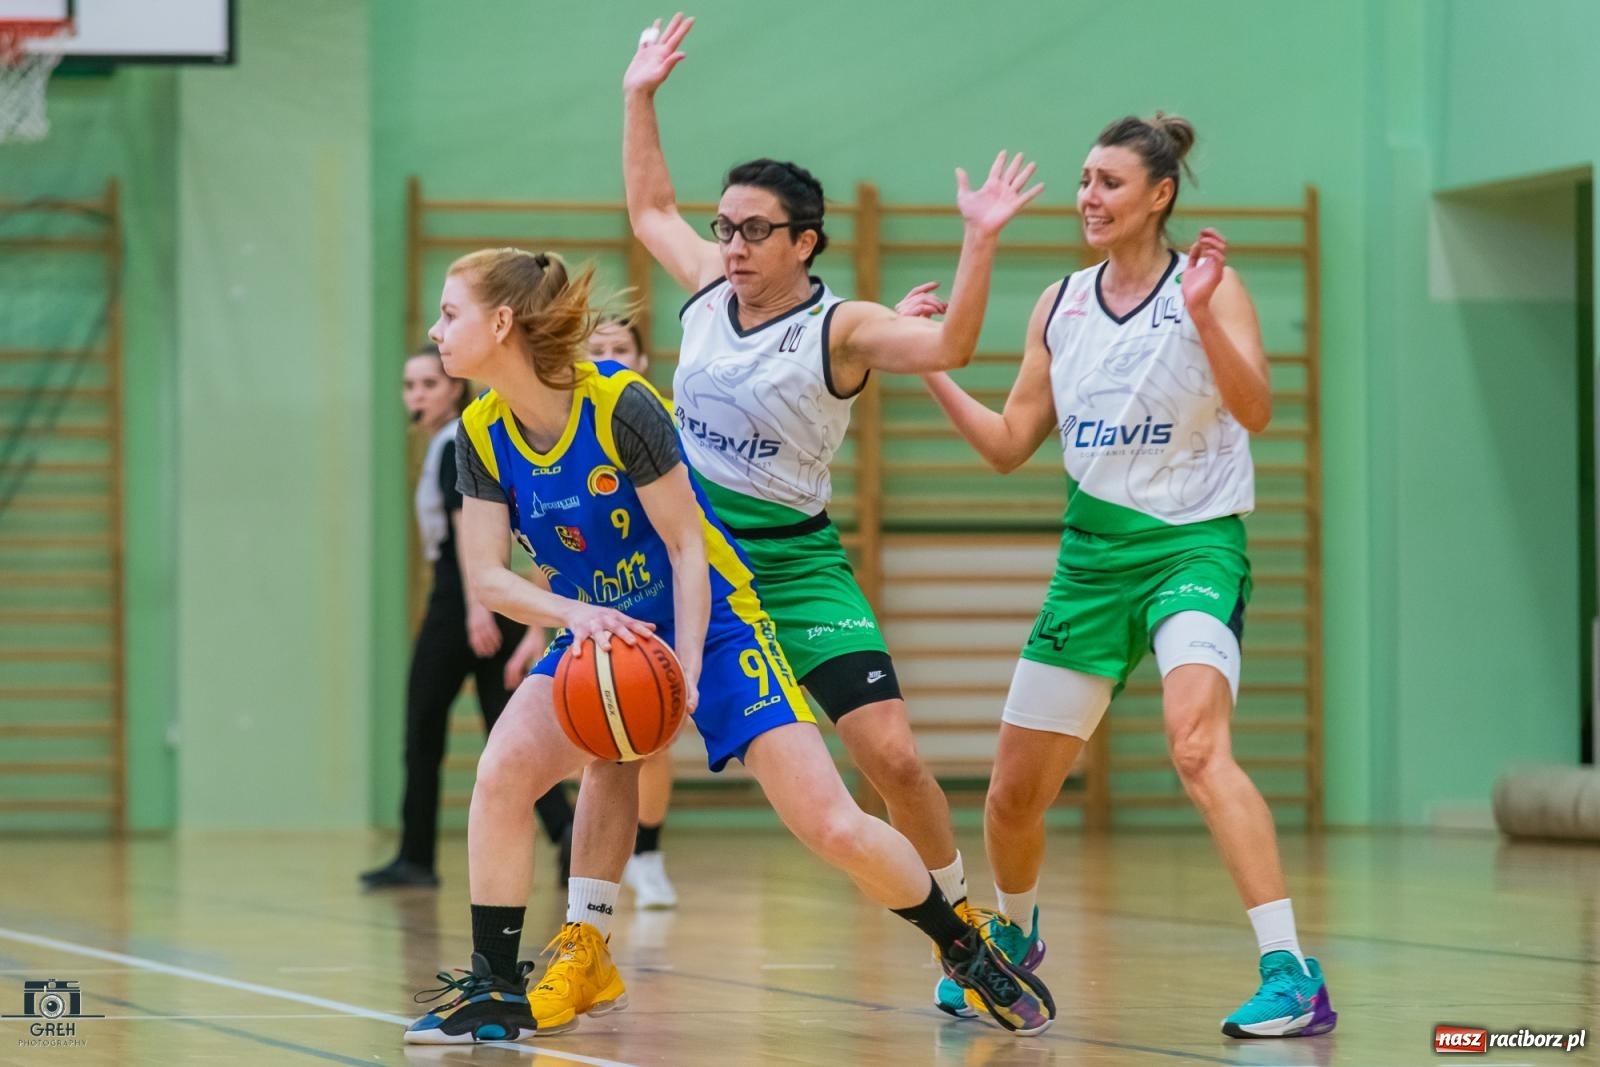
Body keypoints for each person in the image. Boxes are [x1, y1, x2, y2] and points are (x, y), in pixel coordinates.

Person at [403, 248, 1055, 1044]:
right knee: (503, 769)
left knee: (832, 824)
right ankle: (498, 986)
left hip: (710, 622)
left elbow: (686, 549)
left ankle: (961, 942)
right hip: (605, 626)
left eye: (449, 313)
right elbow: (487, 576)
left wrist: (674, 665)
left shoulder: (622, 407)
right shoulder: (480, 430)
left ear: (501, 324)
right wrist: (578, 618)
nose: (435, 330)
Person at [621, 16, 1048, 1016]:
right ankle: (591, 921)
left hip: (799, 558)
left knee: (893, 755)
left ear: (804, 240)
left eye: (751, 230)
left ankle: (961, 921)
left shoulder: (842, 325)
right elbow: (647, 207)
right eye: (723, 226)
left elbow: (951, 351)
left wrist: (978, 239)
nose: (728, 244)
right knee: (623, 746)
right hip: (699, 551)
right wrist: (639, 94)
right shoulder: (698, 293)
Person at [920, 114, 1337, 1039]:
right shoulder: (1060, 304)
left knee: (1196, 747)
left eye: (1109, 181)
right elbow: (1004, 445)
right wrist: (936, 375)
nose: (1088, 197)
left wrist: (1200, 315)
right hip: (1092, 559)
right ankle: (1016, 940)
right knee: (1011, 795)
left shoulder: (1209, 290)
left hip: (1193, 547)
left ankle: (1290, 971)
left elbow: (1259, 408)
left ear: (1161, 194)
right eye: (1083, 180)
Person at [361, 344, 573, 890]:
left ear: (454, 387)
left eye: (428, 384)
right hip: (477, 599)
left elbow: (468, 531)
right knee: (507, 730)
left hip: (462, 599)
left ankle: (416, 855)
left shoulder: (455, 441)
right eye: (410, 386)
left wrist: (477, 610)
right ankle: (568, 832)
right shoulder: (452, 440)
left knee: (423, 726)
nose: (416, 396)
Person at [584, 317, 677, 910]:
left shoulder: (662, 417)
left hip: (656, 598)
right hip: (592, 600)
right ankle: (594, 870)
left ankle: (648, 854)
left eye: (622, 349)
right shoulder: (569, 427)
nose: (612, 358)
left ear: (642, 360)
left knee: (654, 742)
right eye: (598, 351)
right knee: (593, 744)